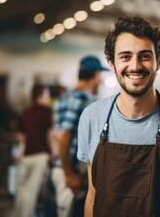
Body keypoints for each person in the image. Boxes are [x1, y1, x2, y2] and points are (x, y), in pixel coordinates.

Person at [77, 16, 160, 217]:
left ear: (158, 62)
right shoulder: (92, 117)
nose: (135, 66)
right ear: (111, 64)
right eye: (125, 56)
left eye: (145, 56)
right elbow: (92, 196)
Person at [52, 55, 108, 217]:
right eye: (100, 77)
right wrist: (69, 173)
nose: (100, 81)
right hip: (71, 172)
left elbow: (58, 135)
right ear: (96, 75)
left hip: (59, 167)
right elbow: (64, 136)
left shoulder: (63, 98)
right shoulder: (84, 100)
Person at [14, 84, 53, 217]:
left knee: (22, 189)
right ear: (42, 94)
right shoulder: (47, 111)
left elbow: (20, 135)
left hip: (26, 155)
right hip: (40, 154)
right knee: (32, 192)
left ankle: (18, 214)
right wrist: (53, 153)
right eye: (47, 94)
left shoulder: (26, 111)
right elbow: (50, 134)